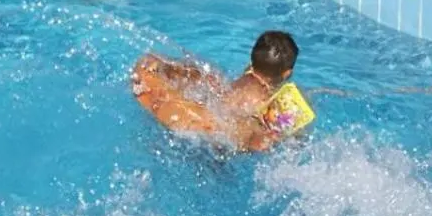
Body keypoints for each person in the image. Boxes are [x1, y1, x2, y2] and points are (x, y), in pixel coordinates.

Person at [132, 31, 312, 148]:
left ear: (252, 60)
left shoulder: (245, 76)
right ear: (287, 73)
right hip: (221, 140)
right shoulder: (272, 101)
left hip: (207, 117)